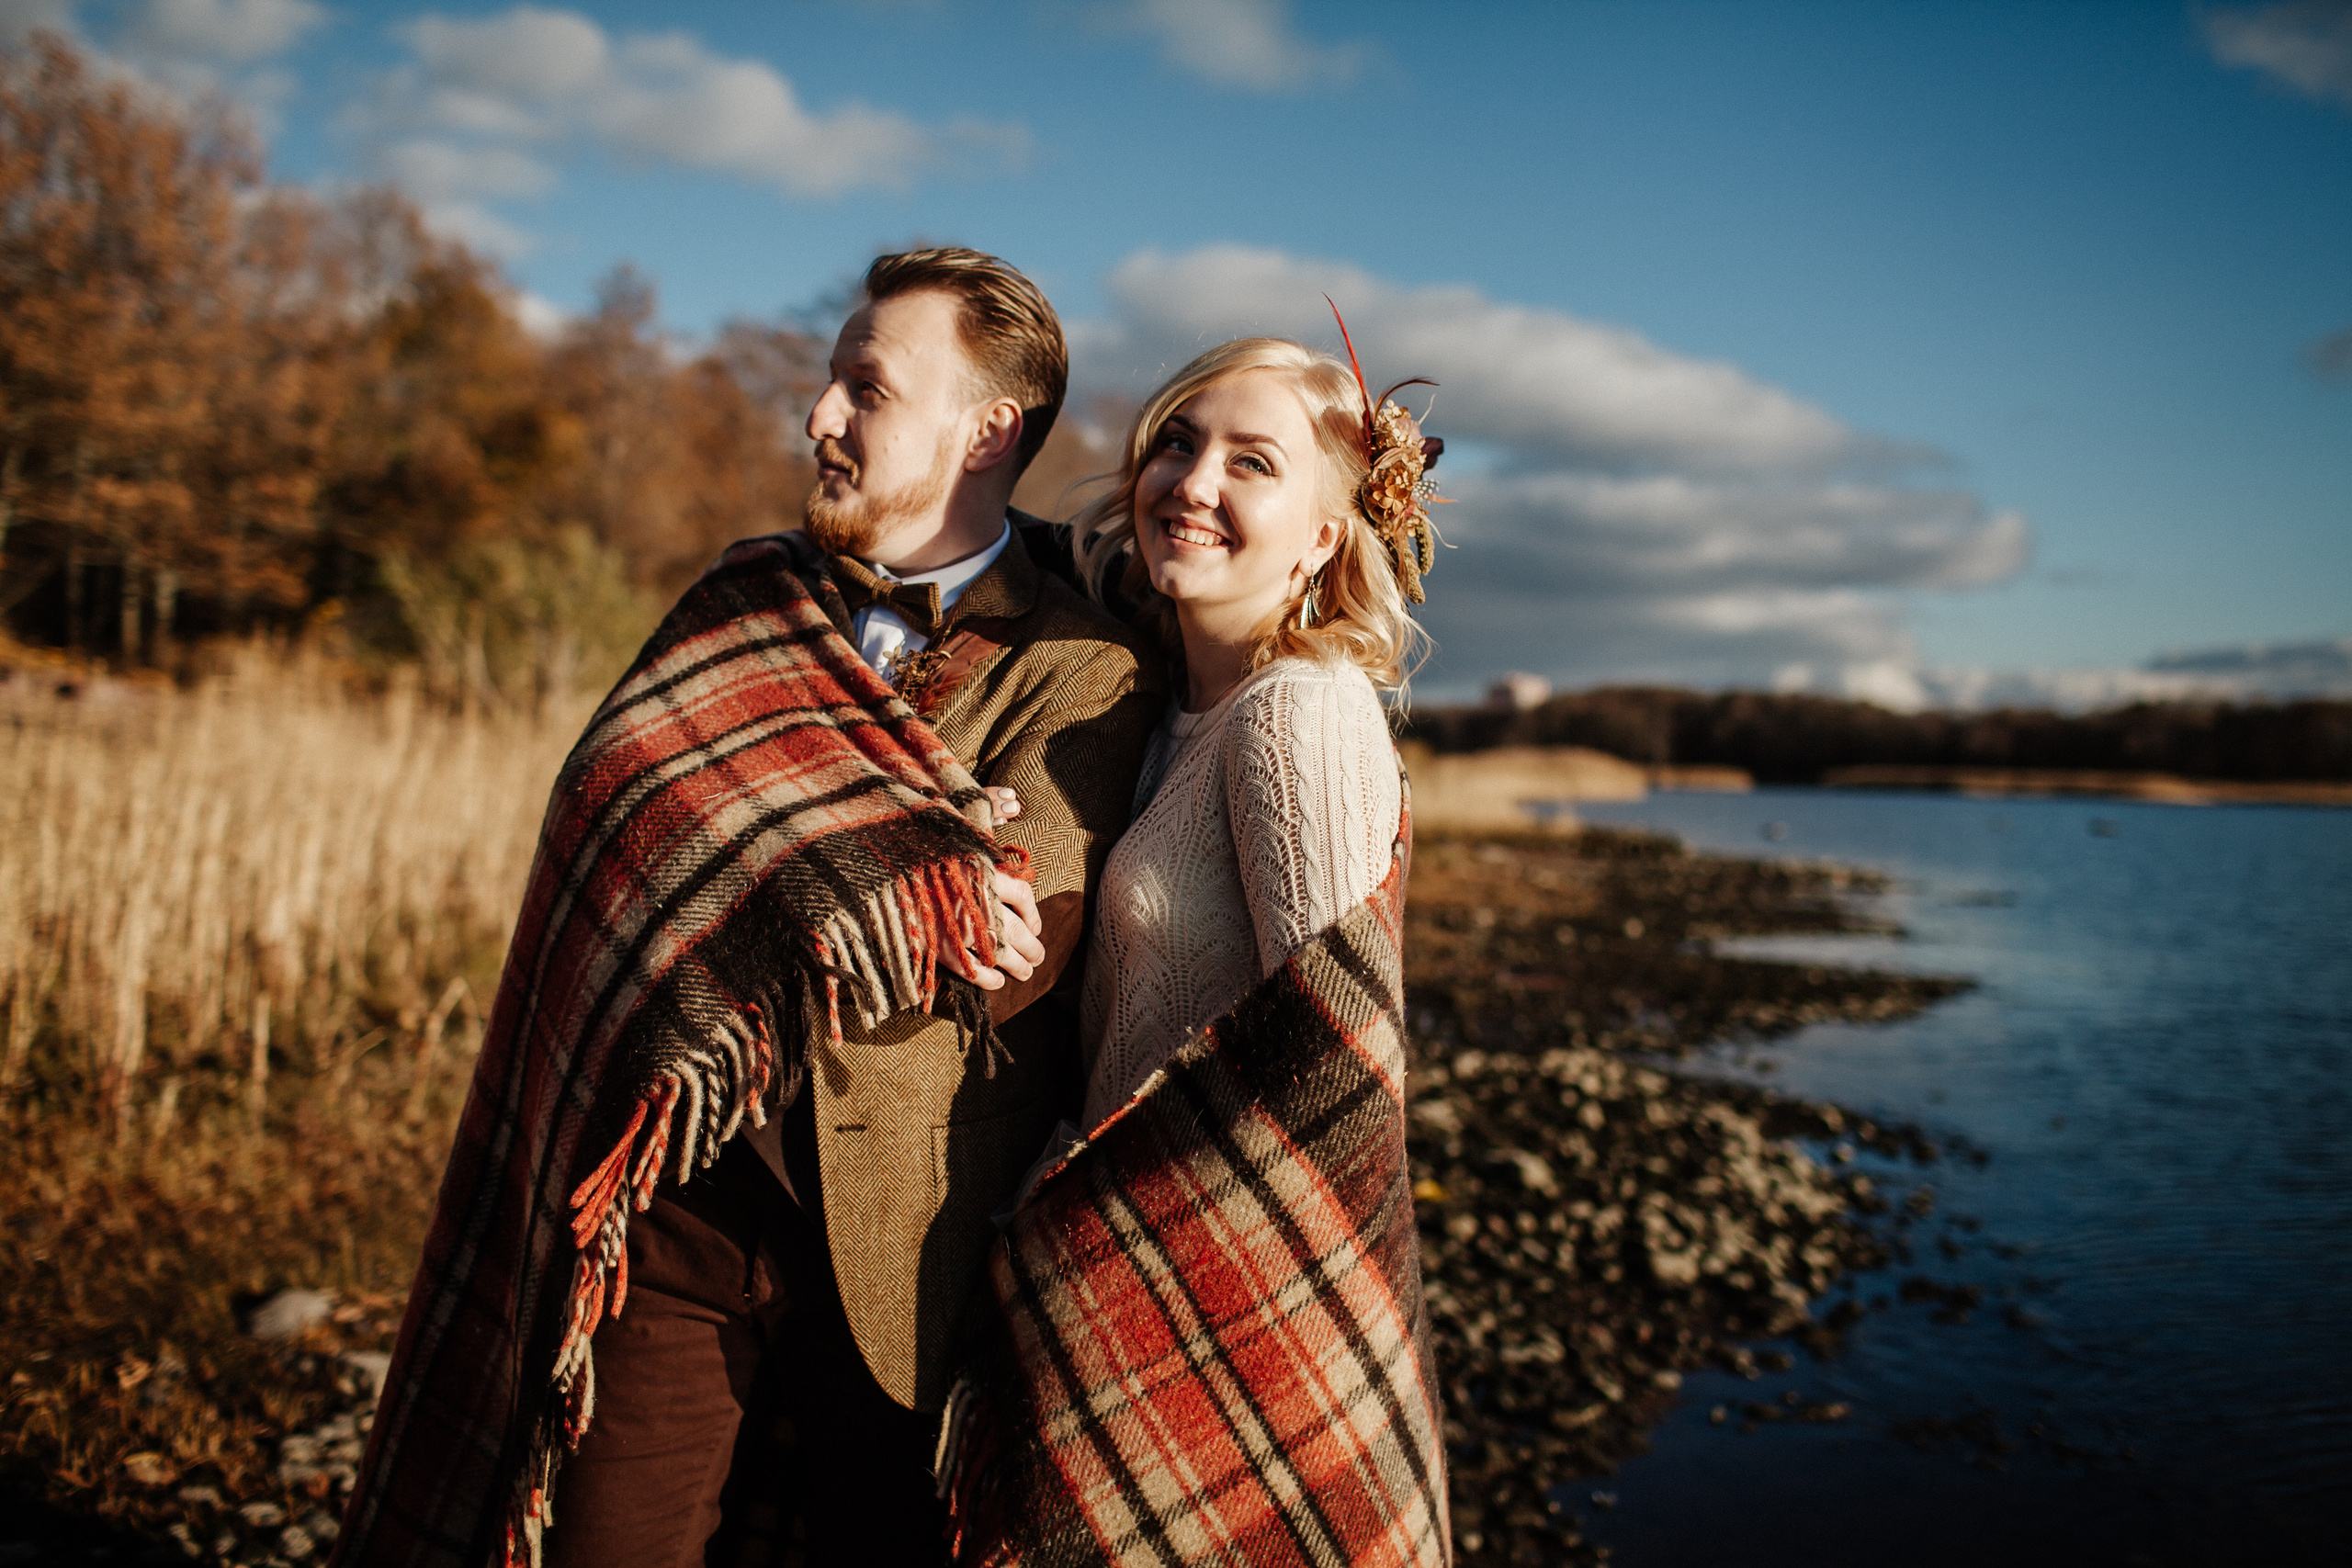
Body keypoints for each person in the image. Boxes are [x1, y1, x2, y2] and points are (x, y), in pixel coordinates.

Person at [334, 249, 1164, 1568]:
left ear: (987, 430)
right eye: (829, 384)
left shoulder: (1083, 666)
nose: (819, 419)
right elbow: (608, 823)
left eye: (866, 390)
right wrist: (910, 861)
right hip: (668, 1196)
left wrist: (971, 917)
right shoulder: (739, 600)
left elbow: (1030, 933)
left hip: (904, 1247)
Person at [934, 333, 1453, 1565]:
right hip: (1134, 1280)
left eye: (1252, 462)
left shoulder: (1300, 715)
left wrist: (1097, 1229)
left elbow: (1336, 1079)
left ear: (1326, 535)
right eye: (1177, 440)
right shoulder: (1170, 712)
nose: (1193, 480)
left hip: (1237, 1312)